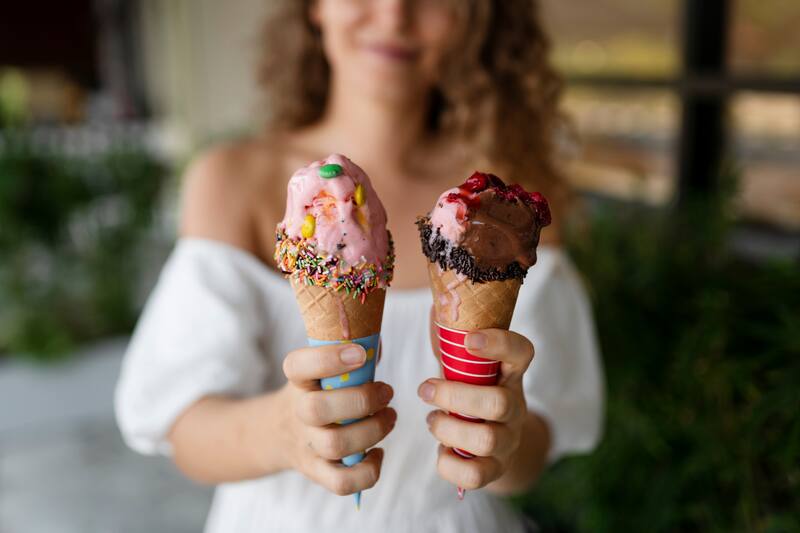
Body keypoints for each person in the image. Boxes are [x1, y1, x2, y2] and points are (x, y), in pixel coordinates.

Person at [115, 1, 603, 531]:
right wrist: (280, 431)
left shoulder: (505, 211)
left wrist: (501, 443)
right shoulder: (231, 182)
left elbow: (536, 447)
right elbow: (183, 429)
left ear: (477, 17)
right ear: (314, 8)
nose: (395, 14)